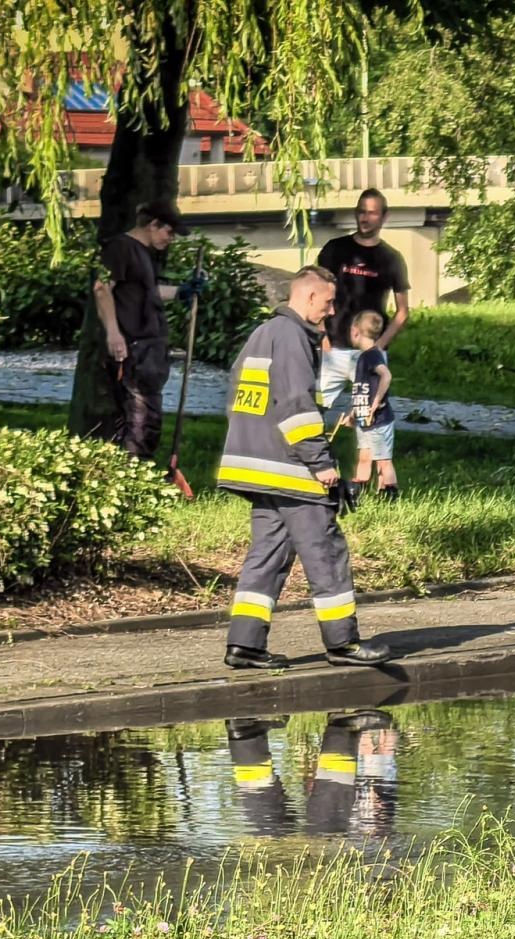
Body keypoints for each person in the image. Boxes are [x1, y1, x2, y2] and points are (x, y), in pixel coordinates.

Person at [217, 264, 392, 671]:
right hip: (290, 467)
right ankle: (343, 643)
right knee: (326, 551)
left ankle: (244, 644)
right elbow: (296, 405)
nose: (331, 312)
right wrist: (322, 463)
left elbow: (241, 396)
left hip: (256, 465)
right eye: (329, 303)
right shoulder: (293, 336)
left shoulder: (263, 334)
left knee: (267, 554)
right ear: (310, 297)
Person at [91, 200, 206, 459]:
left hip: (149, 349)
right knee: (141, 421)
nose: (172, 239)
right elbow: (101, 288)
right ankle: (134, 477)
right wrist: (113, 332)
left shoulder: (142, 253)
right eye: (169, 232)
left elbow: (146, 292)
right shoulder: (120, 247)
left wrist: (182, 291)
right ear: (153, 225)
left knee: (144, 419)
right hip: (133, 348)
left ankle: (130, 474)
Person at [315, 189, 410, 429]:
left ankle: (373, 465)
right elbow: (315, 294)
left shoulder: (391, 258)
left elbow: (402, 312)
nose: (365, 218)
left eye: (371, 213)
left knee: (371, 421)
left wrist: (377, 348)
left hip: (369, 351)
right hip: (333, 348)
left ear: (384, 217)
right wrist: (322, 335)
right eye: (360, 212)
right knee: (312, 409)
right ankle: (302, 458)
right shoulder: (334, 250)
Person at [344, 310, 399, 500]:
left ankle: (389, 494)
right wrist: (353, 413)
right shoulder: (363, 357)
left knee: (383, 460)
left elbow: (386, 375)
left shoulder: (373, 355)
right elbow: (361, 390)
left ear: (355, 331)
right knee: (364, 457)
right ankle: (356, 492)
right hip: (363, 420)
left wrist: (376, 402)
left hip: (379, 420)